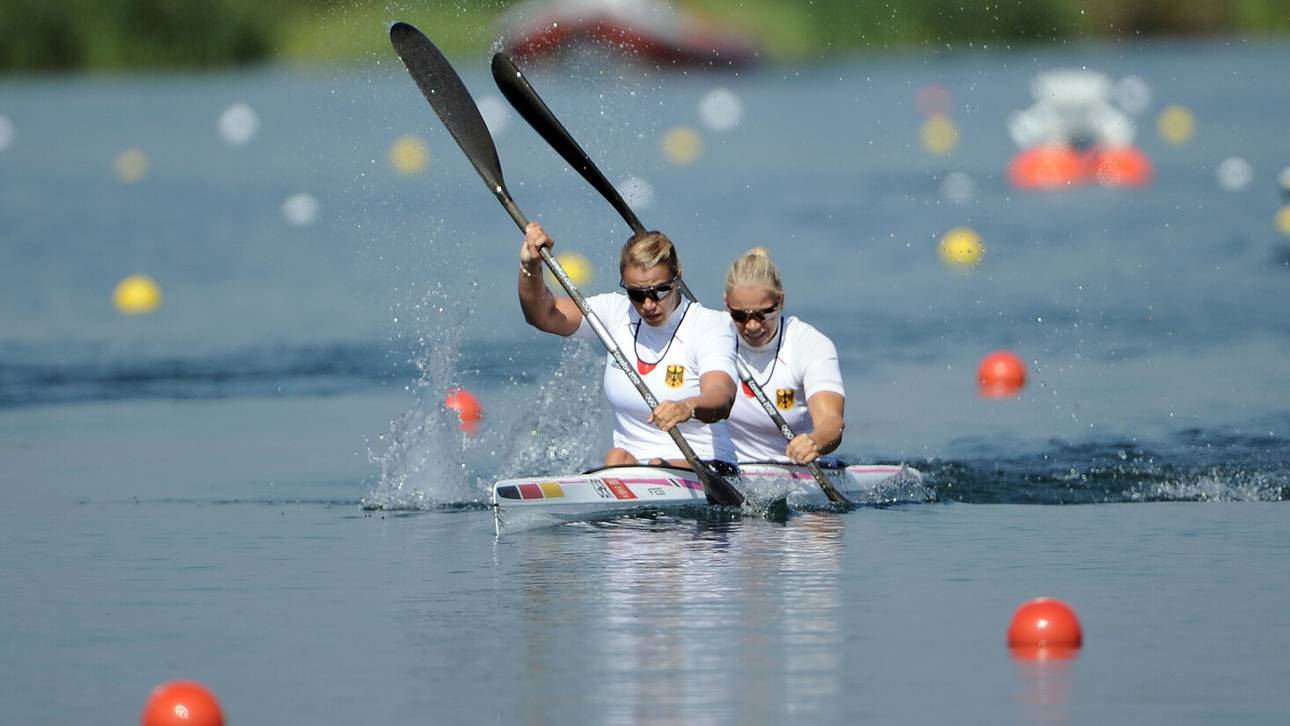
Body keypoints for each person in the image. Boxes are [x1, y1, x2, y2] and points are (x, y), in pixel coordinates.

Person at [518, 222, 738, 468]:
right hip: (633, 468)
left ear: (678, 278)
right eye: (636, 293)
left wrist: (688, 407)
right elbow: (543, 315)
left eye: (659, 291)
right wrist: (530, 266)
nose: (648, 304)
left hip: (706, 465)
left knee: (652, 464)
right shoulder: (616, 312)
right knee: (617, 457)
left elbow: (722, 396)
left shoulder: (708, 326)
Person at [722, 247, 845, 465]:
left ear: (780, 301)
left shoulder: (809, 345)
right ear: (726, 303)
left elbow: (831, 422)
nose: (751, 326)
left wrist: (814, 442)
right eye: (740, 315)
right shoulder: (712, 333)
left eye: (763, 314)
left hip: (797, 468)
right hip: (727, 467)